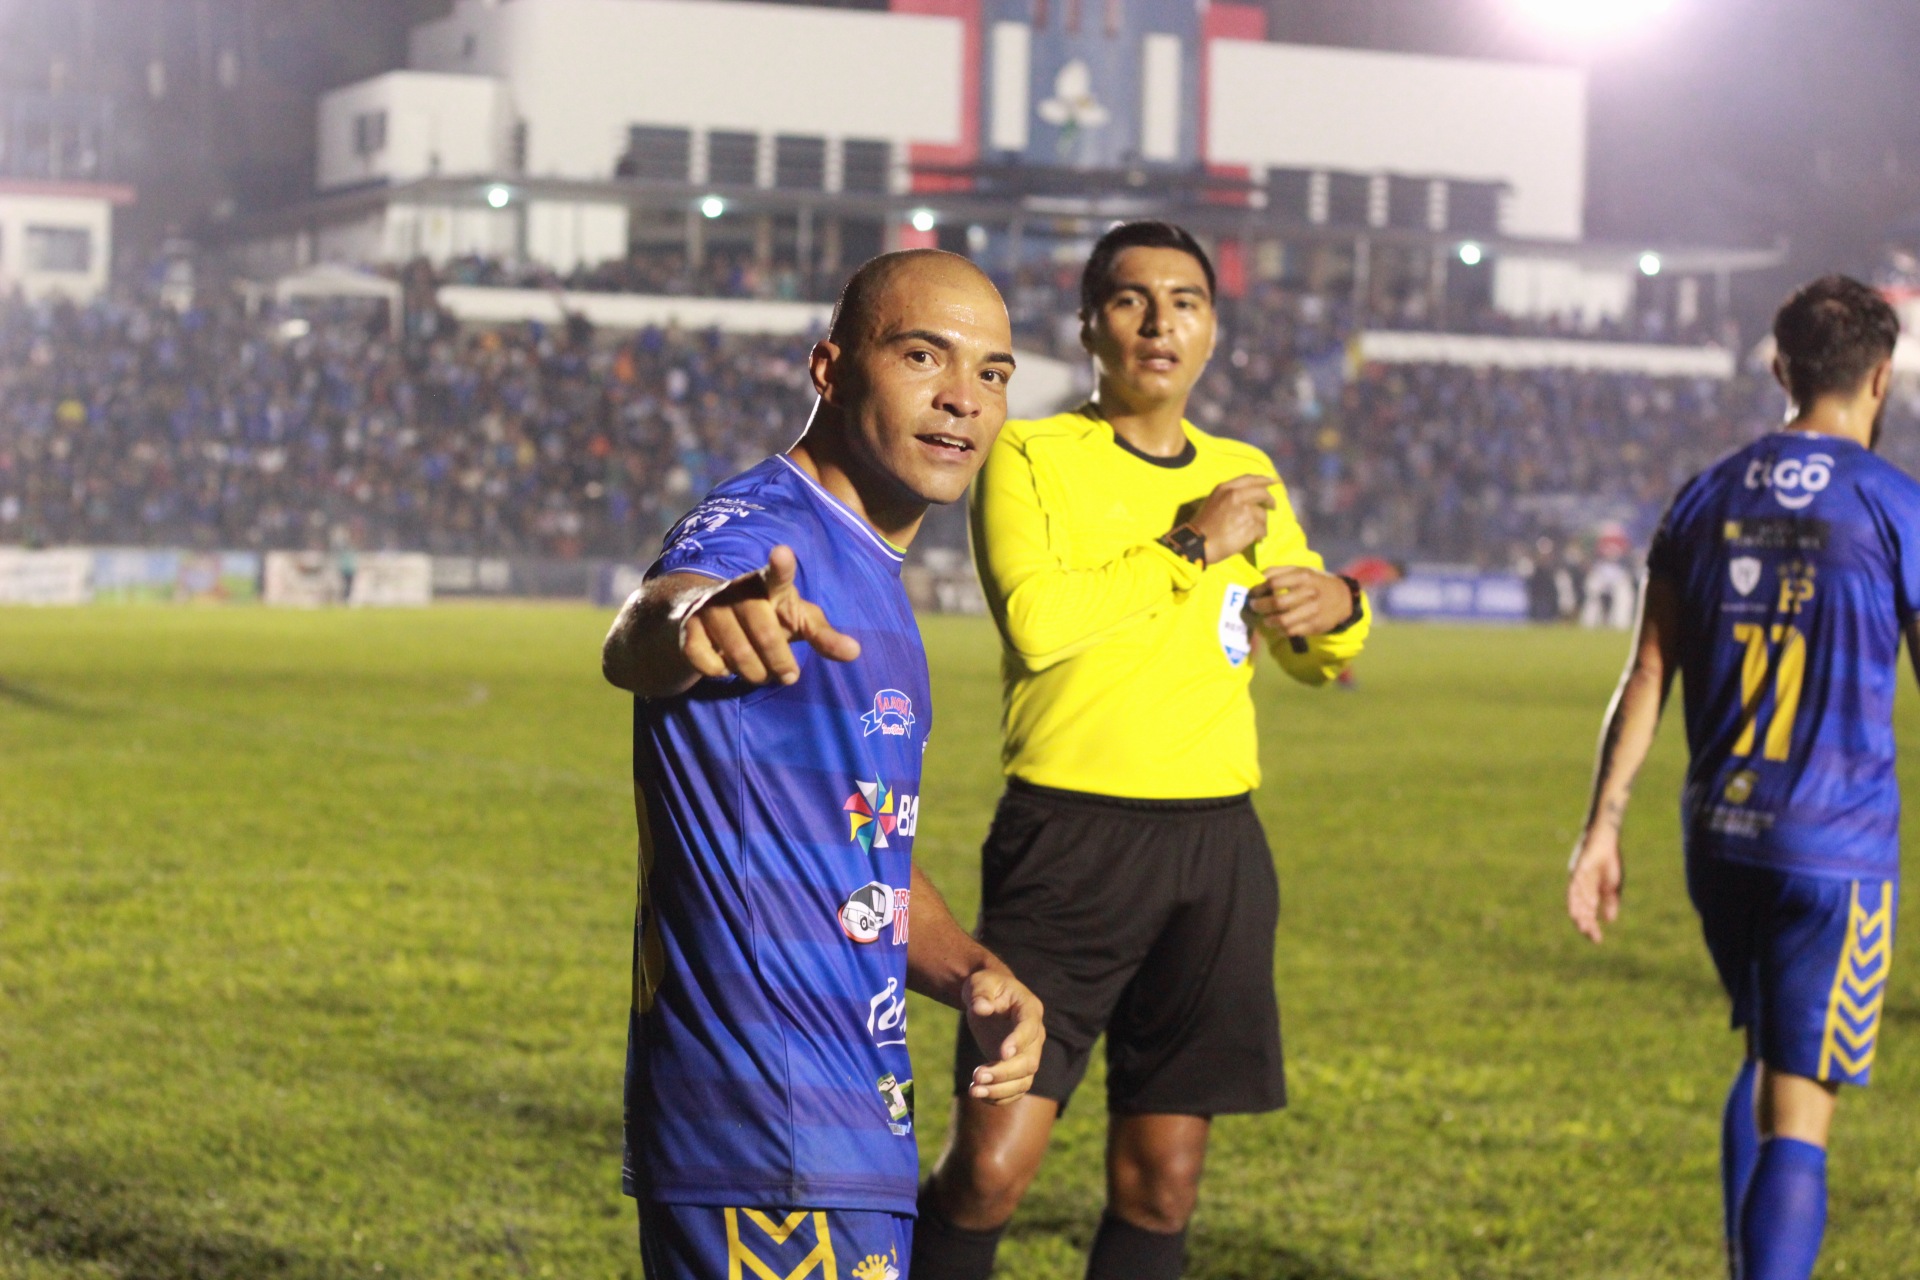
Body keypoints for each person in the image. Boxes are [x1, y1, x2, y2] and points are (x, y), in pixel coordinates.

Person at [912, 221, 1370, 1280]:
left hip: (1216, 850)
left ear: (1213, 331)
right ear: (1089, 325)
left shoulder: (1247, 469)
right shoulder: (1031, 452)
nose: (1160, 322)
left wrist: (1336, 605)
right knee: (990, 1169)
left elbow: (1308, 653)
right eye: (1131, 299)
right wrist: (1189, 543)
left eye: (1187, 302)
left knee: (1162, 1179)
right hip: (1069, 842)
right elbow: (1038, 617)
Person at [601, 249, 1047, 1280]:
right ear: (830, 369)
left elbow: (863, 853)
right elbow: (646, 626)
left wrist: (976, 970)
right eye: (922, 355)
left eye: (992, 372)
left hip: (844, 1127)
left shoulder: (872, 571)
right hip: (768, 1127)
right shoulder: (765, 528)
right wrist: (704, 619)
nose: (961, 399)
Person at [1568, 275, 1915, 1280]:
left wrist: (1601, 829)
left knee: (1766, 1046)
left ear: (1780, 367)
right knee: (1801, 1110)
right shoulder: (1895, 504)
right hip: (1834, 854)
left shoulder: (1707, 491)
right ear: (1882, 377)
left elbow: (1646, 673)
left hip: (1720, 839)